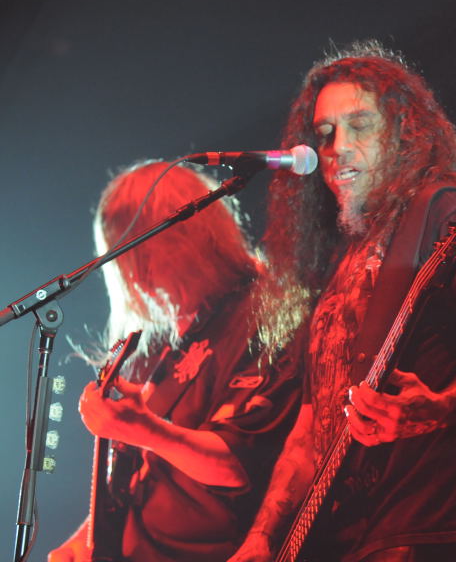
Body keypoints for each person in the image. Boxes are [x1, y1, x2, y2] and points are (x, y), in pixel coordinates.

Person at [229, 42, 456, 562]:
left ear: (402, 133)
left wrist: (436, 408)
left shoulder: (444, 212)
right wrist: (262, 535)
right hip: (341, 539)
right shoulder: (340, 259)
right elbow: (311, 425)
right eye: (325, 133)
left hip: (421, 528)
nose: (337, 147)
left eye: (360, 126)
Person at [48, 162, 302, 562]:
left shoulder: (264, 314)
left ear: (192, 238)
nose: (139, 279)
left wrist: (146, 430)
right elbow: (135, 479)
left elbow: (238, 465)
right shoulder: (157, 345)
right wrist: (83, 541)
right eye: (128, 262)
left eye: (145, 256)